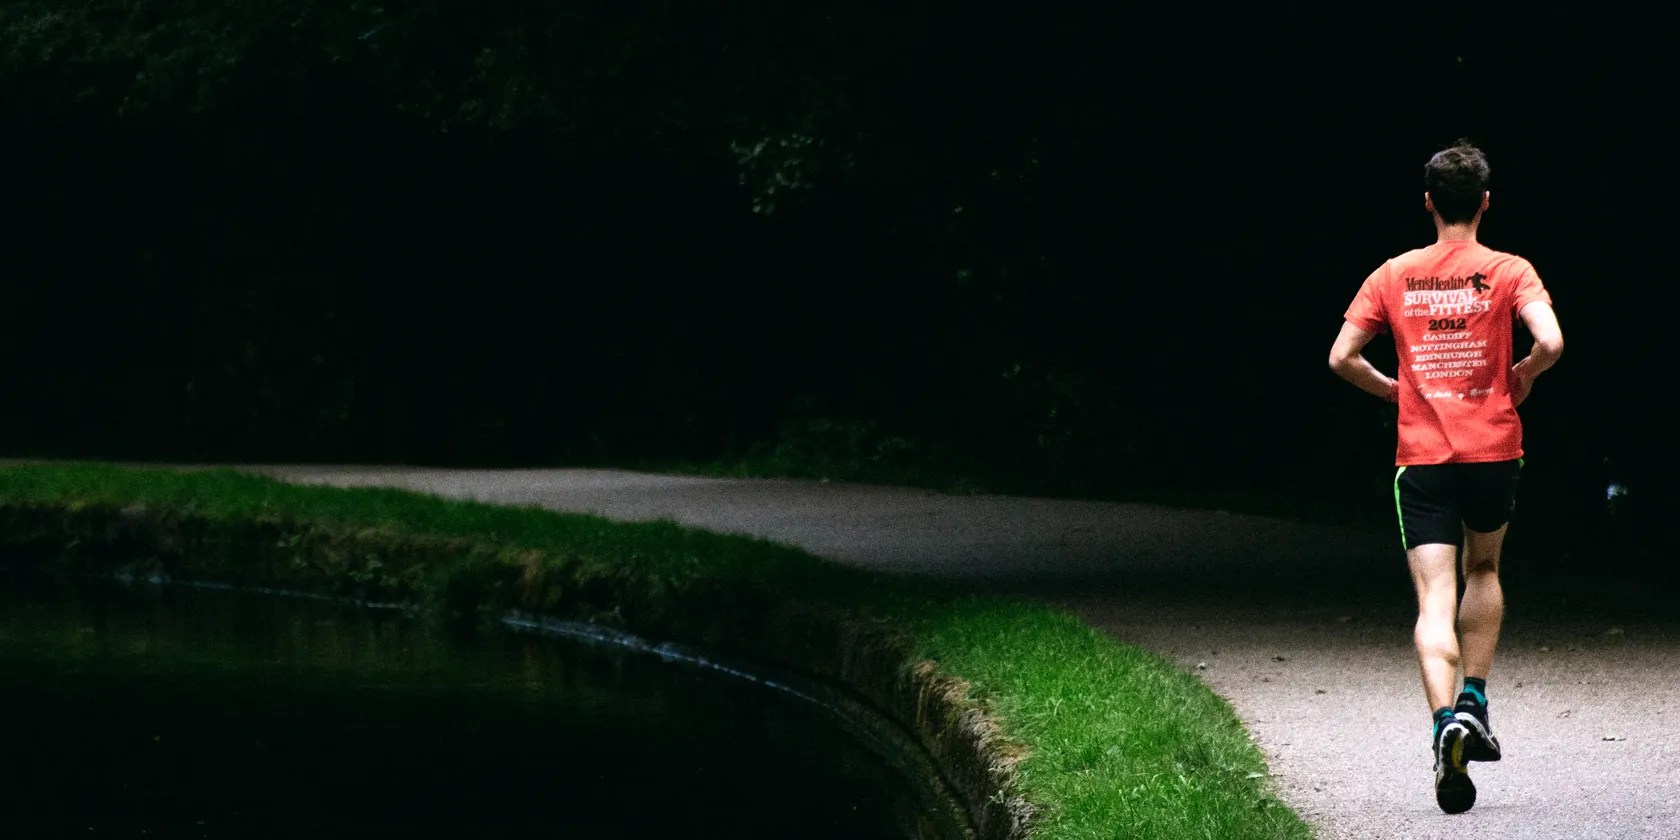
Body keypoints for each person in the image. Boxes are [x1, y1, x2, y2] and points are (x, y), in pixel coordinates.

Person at [1327, 138, 1564, 815]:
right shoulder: (1510, 270)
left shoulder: (1392, 274)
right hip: (1494, 451)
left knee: (1434, 598)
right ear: (1485, 202)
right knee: (1483, 570)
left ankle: (1443, 727)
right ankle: (1474, 704)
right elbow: (1551, 341)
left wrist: (1394, 391)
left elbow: (1342, 357)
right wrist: (1523, 374)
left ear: (1429, 202)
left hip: (1423, 457)